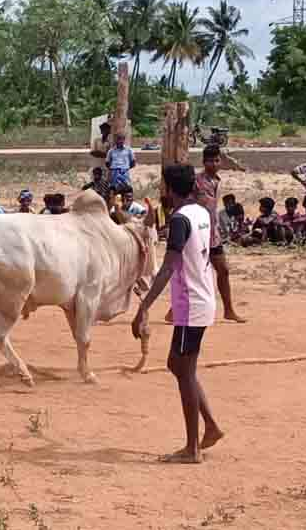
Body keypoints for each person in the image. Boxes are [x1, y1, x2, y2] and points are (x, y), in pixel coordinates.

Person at [131, 164, 223, 464]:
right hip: (201, 299)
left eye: (163, 186)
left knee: (184, 371)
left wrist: (144, 307)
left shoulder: (181, 219)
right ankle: (210, 426)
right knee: (179, 365)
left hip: (191, 304)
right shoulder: (201, 213)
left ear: (169, 189)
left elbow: (169, 267)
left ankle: (192, 448)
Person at [169, 145, 245, 323]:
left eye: (216, 160)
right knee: (193, 273)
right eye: (210, 160)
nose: (213, 163)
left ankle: (229, 310)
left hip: (213, 233)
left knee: (223, 271)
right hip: (197, 232)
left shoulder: (217, 181)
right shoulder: (196, 181)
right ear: (204, 162)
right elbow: (183, 200)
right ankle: (174, 310)